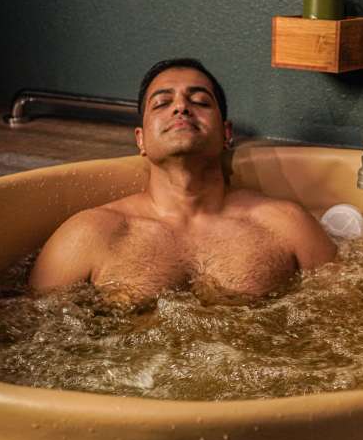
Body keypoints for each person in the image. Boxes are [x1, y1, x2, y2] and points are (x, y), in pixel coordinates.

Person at [29, 58, 337, 300]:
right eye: (162, 103)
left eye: (200, 102)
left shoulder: (285, 225)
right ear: (140, 140)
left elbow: (345, 316)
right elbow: (28, 335)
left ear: (226, 133)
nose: (181, 107)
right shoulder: (90, 234)